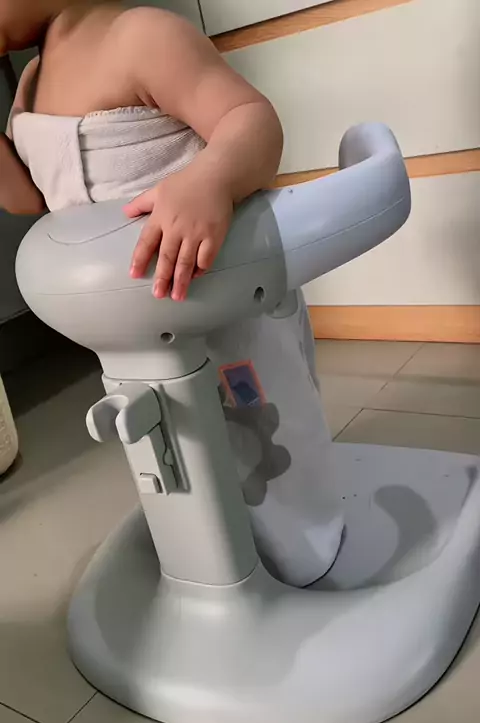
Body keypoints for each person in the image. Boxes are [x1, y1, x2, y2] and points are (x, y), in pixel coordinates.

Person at [0, 0, 344, 586]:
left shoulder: (141, 36)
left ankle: (310, 547)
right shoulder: (31, 80)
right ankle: (219, 557)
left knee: (267, 434)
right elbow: (29, 198)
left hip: (222, 305)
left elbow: (250, 118)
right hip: (139, 329)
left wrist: (210, 178)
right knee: (185, 446)